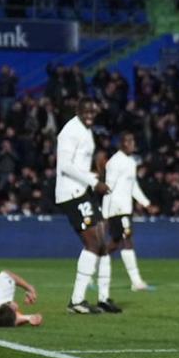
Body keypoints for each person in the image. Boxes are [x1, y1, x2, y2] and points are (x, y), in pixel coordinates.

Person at [57, 100, 119, 314]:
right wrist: (94, 182)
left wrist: (94, 177)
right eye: (86, 111)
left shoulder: (85, 130)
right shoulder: (70, 131)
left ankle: (103, 298)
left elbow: (78, 166)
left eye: (93, 111)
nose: (90, 114)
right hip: (72, 193)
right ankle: (76, 301)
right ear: (78, 111)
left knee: (102, 242)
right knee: (93, 242)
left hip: (83, 190)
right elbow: (65, 166)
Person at [102, 131, 153, 292]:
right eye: (129, 141)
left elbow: (133, 186)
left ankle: (91, 264)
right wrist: (105, 214)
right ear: (121, 144)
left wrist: (146, 203)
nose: (132, 144)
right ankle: (136, 281)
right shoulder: (114, 162)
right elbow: (108, 188)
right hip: (116, 209)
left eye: (133, 141)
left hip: (125, 208)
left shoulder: (131, 162)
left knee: (115, 243)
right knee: (127, 240)